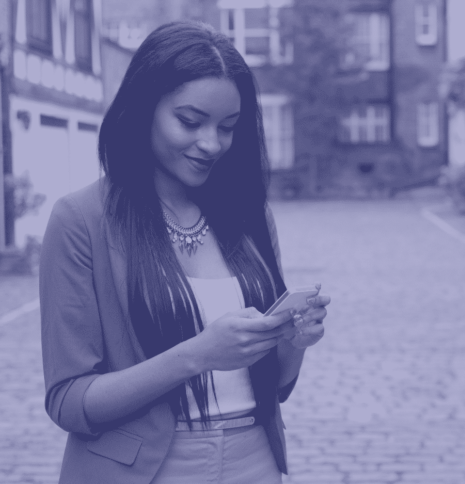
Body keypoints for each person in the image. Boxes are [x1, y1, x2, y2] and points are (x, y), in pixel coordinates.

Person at [39, 21, 330, 484]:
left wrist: (293, 343)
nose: (211, 144)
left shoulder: (250, 216)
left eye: (228, 127)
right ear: (143, 108)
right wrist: (198, 354)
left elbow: (271, 385)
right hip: (141, 471)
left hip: (254, 461)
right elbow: (69, 401)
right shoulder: (80, 220)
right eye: (190, 122)